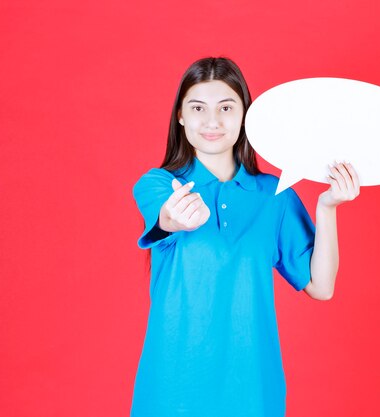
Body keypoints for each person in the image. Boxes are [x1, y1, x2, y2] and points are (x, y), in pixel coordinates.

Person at [130, 56, 360, 417]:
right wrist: (173, 218)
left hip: (253, 389)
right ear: (180, 116)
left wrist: (327, 207)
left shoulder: (275, 196)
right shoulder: (160, 184)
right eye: (197, 108)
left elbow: (322, 286)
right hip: (172, 386)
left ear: (245, 115)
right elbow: (165, 216)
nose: (212, 121)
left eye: (226, 107)